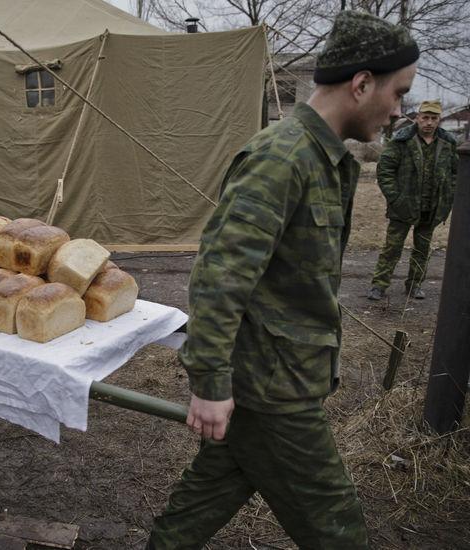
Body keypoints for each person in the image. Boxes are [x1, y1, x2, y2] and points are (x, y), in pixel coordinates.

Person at [146, 11, 419, 549]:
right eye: (399, 93)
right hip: (273, 393)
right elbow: (220, 276)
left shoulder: (323, 159)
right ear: (362, 84)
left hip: (277, 377)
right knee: (339, 531)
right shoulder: (282, 158)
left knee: (201, 505)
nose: (398, 110)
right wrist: (210, 384)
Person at [367, 100, 458, 301]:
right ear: (417, 118)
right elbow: (385, 170)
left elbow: (455, 172)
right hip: (403, 206)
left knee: (422, 249)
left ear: (439, 120)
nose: (429, 122)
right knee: (392, 247)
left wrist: (447, 197)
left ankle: (414, 285)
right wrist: (395, 198)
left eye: (433, 118)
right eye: (425, 117)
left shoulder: (448, 143)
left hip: (431, 207)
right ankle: (379, 285)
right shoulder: (402, 140)